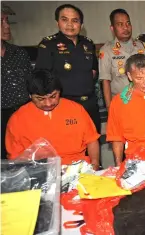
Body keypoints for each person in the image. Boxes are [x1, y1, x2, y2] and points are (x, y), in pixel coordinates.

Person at [5, 70, 100, 168]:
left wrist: (95, 163)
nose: (48, 103)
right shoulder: (17, 119)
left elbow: (92, 140)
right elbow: (15, 160)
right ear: (30, 96)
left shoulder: (76, 109)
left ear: (60, 91)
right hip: (39, 171)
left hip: (77, 167)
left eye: (53, 96)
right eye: (40, 99)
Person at [35, 4, 100, 132]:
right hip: (64, 104)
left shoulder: (88, 43)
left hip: (90, 103)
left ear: (81, 25)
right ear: (57, 23)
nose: (70, 25)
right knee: (71, 144)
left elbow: (93, 72)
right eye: (65, 20)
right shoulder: (48, 45)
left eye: (75, 20)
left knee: (93, 141)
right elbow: (42, 78)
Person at [99, 9, 145, 110]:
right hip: (121, 104)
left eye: (128, 23)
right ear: (112, 28)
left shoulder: (140, 46)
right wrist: (109, 108)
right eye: (120, 24)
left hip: (142, 101)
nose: (125, 27)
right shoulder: (106, 50)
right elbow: (106, 81)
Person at [1, 4, 32, 159]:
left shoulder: (19, 53)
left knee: (28, 157)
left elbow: (31, 82)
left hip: (23, 113)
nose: (7, 26)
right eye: (1, 21)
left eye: (7, 21)